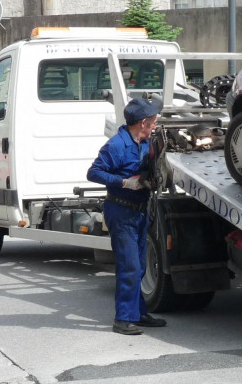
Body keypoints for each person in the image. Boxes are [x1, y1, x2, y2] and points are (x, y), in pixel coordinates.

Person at [87, 98, 168, 335]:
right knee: (129, 266)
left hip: (139, 211)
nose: (155, 125)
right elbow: (93, 173)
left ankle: (138, 313)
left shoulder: (144, 142)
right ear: (143, 123)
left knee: (140, 266)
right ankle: (123, 319)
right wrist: (123, 182)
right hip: (121, 212)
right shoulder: (117, 145)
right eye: (153, 122)